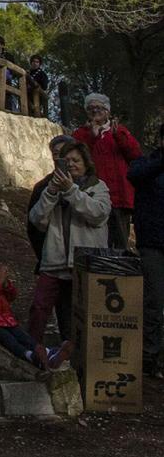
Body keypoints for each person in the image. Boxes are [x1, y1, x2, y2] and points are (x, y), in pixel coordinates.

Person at [28, 139, 110, 347]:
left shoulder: (98, 186)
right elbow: (36, 219)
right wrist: (52, 192)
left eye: (76, 160)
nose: (71, 164)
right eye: (67, 161)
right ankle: (31, 351)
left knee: (82, 312)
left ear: (85, 162)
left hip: (84, 262)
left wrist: (71, 191)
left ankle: (81, 355)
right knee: (39, 307)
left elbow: (98, 214)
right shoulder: (48, 188)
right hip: (54, 260)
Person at [0, 237, 62, 371]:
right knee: (7, 339)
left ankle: (47, 353)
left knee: (21, 335)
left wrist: (7, 285)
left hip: (3, 318)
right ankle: (29, 356)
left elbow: (11, 296)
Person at [74, 96, 139, 249]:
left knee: (121, 242)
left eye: (99, 107)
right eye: (91, 108)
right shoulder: (81, 134)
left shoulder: (120, 131)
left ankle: (121, 272)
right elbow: (77, 157)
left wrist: (118, 136)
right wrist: (93, 137)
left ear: (108, 112)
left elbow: (135, 155)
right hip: (93, 196)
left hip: (119, 197)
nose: (95, 110)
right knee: (97, 241)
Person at [128, 123, 164, 377]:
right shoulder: (145, 163)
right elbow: (135, 176)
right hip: (152, 242)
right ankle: (150, 358)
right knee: (154, 300)